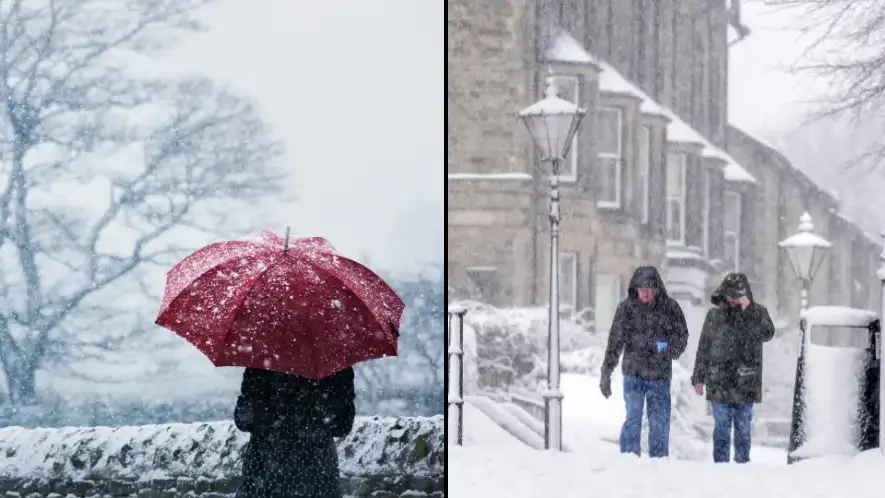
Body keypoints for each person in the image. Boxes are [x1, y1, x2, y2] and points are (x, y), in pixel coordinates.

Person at [600, 266, 689, 458]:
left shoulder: (670, 308)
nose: (645, 293)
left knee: (659, 422)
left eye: (649, 289)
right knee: (633, 418)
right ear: (635, 289)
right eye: (642, 289)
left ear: (657, 289)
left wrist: (666, 349)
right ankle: (629, 458)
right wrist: (606, 373)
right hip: (634, 374)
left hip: (659, 376)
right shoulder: (626, 309)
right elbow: (615, 342)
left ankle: (658, 461)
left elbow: (681, 337)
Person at [234, 366, 356, 498]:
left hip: (264, 472)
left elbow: (243, 420)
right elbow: (343, 426)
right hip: (318, 473)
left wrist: (273, 415)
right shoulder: (334, 364)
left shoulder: (261, 363)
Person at [691, 272, 775, 464]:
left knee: (743, 429)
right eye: (730, 295)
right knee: (721, 427)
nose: (732, 299)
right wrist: (698, 377)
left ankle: (742, 465)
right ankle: (721, 467)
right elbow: (704, 346)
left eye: (737, 295)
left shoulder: (757, 313)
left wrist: (749, 310)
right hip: (718, 380)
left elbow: (768, 333)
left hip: (746, 381)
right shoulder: (713, 316)